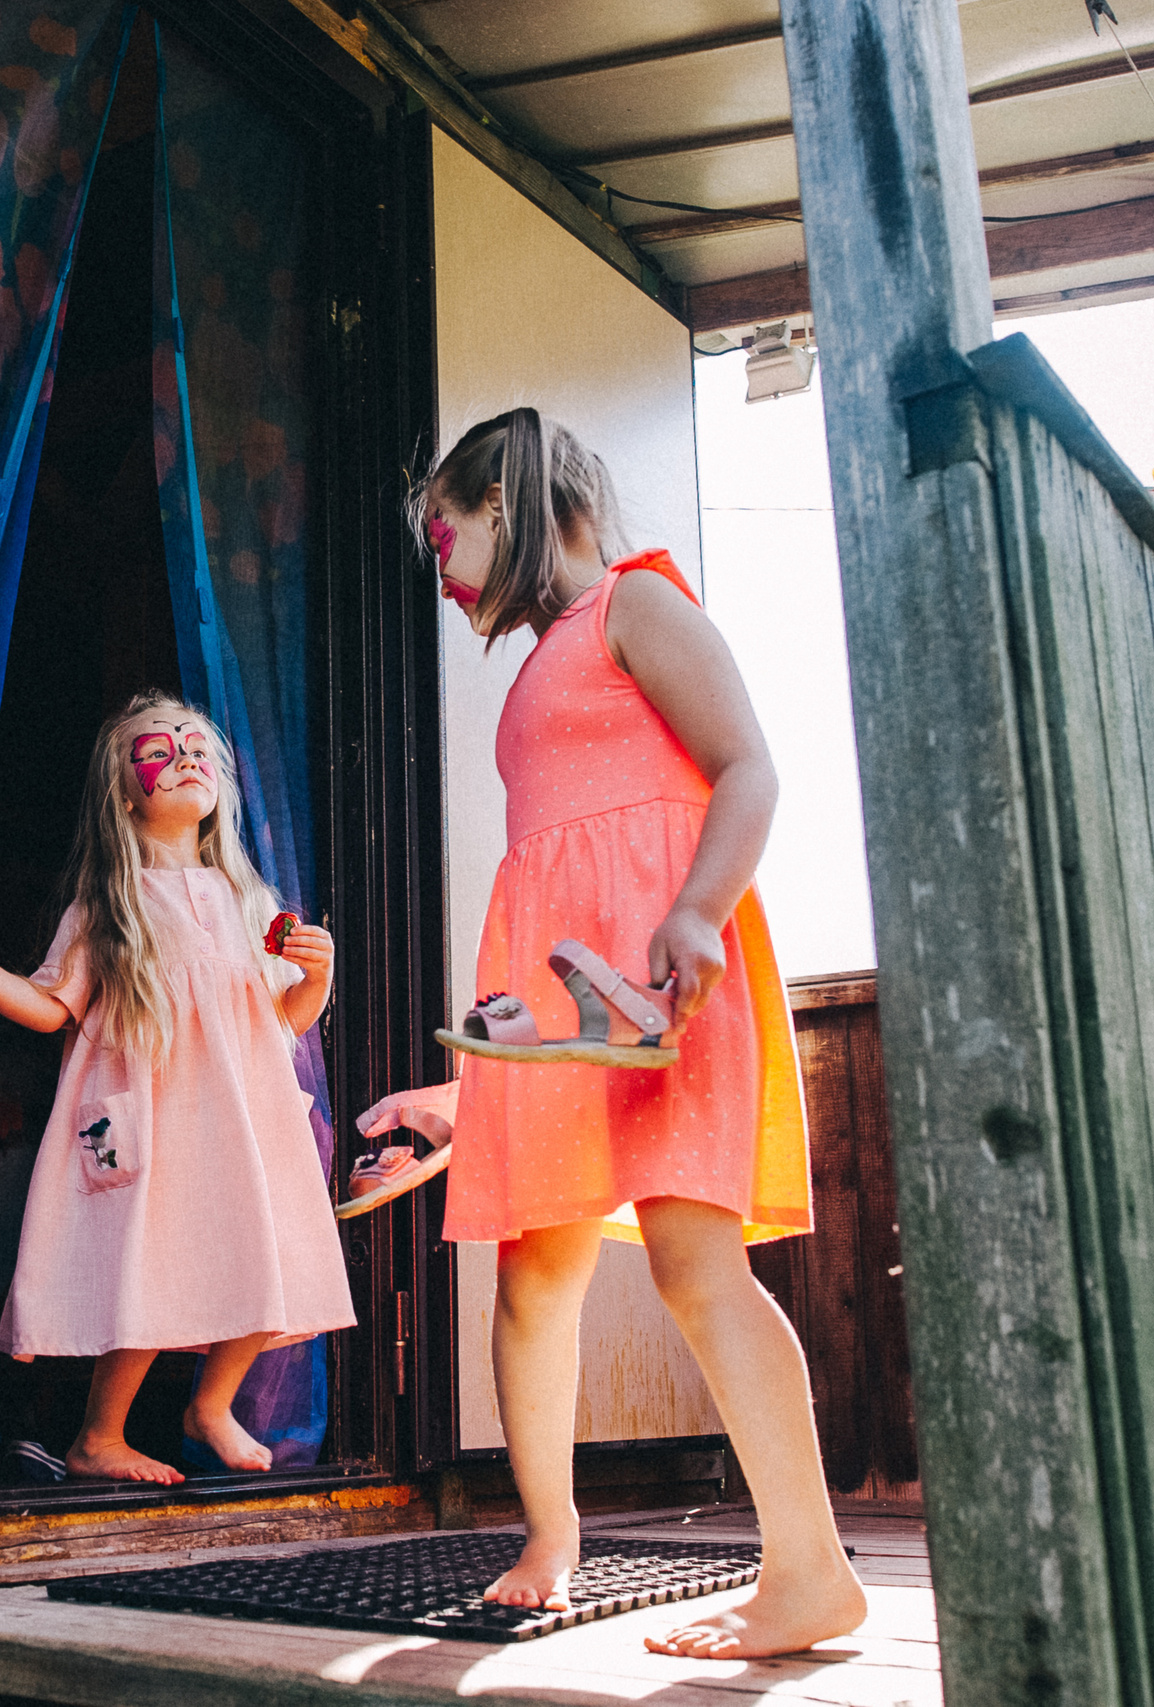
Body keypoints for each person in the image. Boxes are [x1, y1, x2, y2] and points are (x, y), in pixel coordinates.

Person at [360, 407, 864, 1658]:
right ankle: (549, 1532)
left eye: (446, 532)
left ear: (508, 497)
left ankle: (808, 1567)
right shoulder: (537, 661)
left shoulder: (635, 610)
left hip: (663, 984)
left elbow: (746, 766)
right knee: (535, 1275)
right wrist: (475, 1091)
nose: (442, 564)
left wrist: (698, 911)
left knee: (698, 1266)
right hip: (556, 1006)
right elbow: (554, 892)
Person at [0, 694, 350, 1484]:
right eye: (159, 748)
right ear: (125, 793)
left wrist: (317, 980)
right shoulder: (110, 906)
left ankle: (211, 1403)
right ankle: (98, 1435)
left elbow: (280, 1020)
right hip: (148, 1119)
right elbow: (52, 1003)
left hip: (235, 1118)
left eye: (198, 746)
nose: (186, 755)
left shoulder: (248, 902)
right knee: (144, 1266)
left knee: (260, 1251)